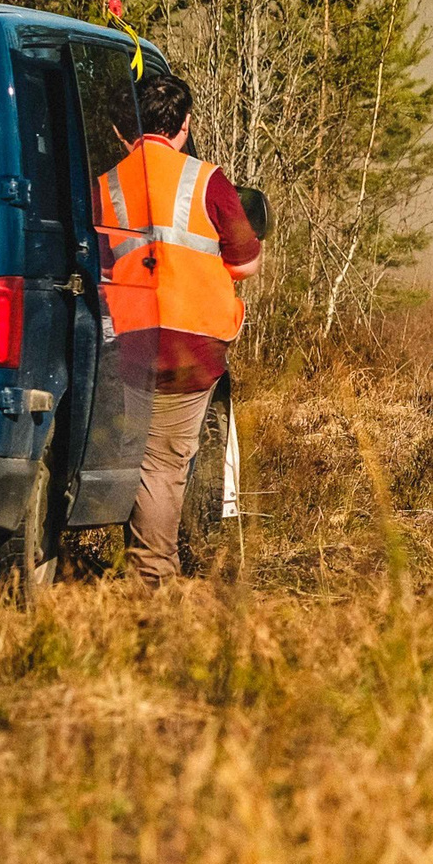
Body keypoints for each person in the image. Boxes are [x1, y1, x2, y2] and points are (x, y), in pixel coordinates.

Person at [94, 72, 262, 581]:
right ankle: (152, 580)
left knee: (144, 458)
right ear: (184, 126)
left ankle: (145, 567)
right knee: (163, 464)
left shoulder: (105, 186)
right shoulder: (207, 181)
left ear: (125, 130)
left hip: (132, 342)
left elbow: (105, 267)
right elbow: (247, 260)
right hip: (194, 345)